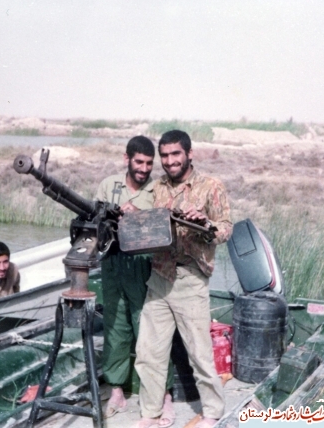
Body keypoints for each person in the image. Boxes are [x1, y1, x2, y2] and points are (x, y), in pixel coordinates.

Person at [133, 130, 233, 428]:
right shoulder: (156, 188)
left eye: (175, 154)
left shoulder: (211, 186)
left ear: (189, 154)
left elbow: (226, 229)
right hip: (160, 277)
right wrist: (134, 213)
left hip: (191, 279)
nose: (169, 161)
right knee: (148, 352)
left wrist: (206, 225)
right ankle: (150, 413)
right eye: (164, 156)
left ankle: (212, 412)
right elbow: (142, 223)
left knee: (200, 353)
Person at [95, 136, 175, 425]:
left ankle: (164, 395)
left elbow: (166, 226)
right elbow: (96, 223)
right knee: (115, 328)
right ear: (126, 158)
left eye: (149, 163)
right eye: (138, 162)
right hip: (113, 265)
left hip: (144, 266)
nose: (143, 168)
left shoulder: (159, 190)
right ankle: (117, 390)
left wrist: (139, 216)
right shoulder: (109, 186)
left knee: (150, 330)